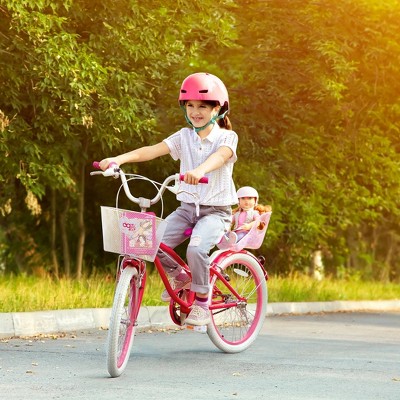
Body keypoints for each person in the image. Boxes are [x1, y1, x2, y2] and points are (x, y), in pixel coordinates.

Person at [99, 72, 238, 326]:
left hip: (216, 212)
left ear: (217, 109)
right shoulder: (184, 136)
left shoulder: (227, 137)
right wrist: (119, 159)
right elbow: (151, 150)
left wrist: (200, 171)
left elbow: (220, 156)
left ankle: (203, 301)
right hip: (187, 209)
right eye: (190, 106)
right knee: (149, 242)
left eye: (202, 107)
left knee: (196, 248)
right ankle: (182, 275)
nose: (196, 112)